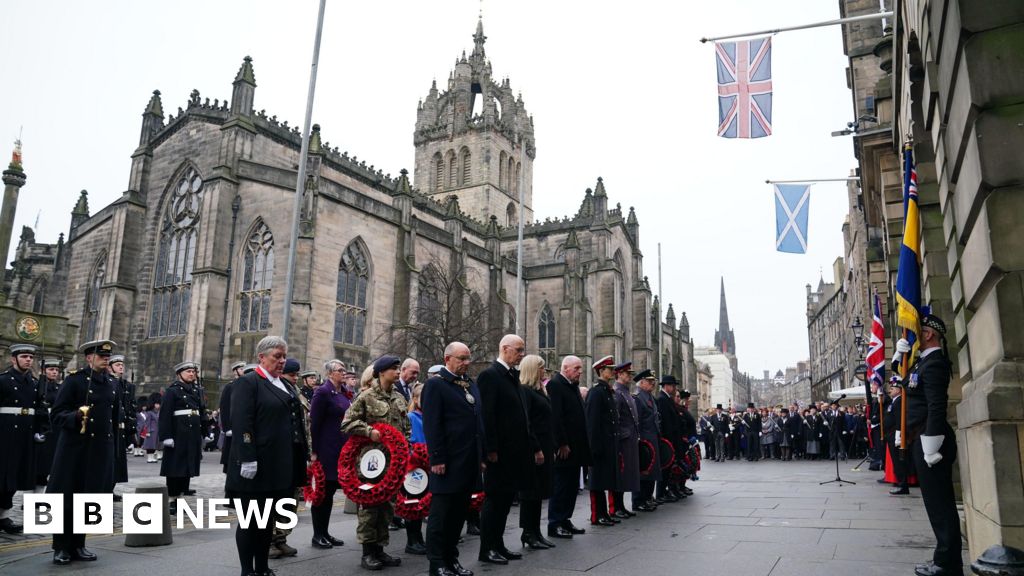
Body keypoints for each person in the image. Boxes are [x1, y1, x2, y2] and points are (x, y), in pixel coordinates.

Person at [888, 315, 962, 576]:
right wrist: (898, 358)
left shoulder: (935, 364)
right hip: (922, 438)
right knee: (935, 504)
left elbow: (936, 406)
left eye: (918, 332)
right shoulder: (922, 363)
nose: (914, 337)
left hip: (932, 440)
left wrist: (932, 443)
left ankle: (947, 564)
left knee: (940, 505)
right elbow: (902, 383)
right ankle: (945, 558)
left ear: (929, 334)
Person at [224, 336, 303, 576]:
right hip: (256, 464)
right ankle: (247, 570)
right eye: (276, 356)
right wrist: (247, 457)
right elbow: (241, 422)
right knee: (250, 521)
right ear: (261, 357)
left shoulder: (285, 385)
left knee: (267, 521)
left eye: (284, 356)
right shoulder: (248, 383)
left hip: (279, 465)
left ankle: (263, 567)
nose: (282, 361)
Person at [47, 340, 119, 564]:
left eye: (107, 356)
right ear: (89, 358)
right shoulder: (74, 380)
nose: (105, 359)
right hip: (74, 449)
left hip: (99, 450)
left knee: (90, 497)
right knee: (67, 497)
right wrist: (75, 417)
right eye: (101, 356)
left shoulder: (111, 382)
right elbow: (57, 413)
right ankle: (61, 546)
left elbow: (113, 419)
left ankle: (79, 543)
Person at [341, 355, 410, 570]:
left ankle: (380, 548)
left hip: (393, 464)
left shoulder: (399, 398)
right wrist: (369, 431)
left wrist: (405, 445)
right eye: (393, 369)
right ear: (381, 372)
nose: (398, 373)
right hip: (371, 462)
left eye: (398, 369)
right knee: (370, 508)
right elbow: (347, 423)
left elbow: (406, 427)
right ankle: (367, 552)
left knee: (388, 507)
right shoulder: (366, 397)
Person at [422, 342, 484, 576]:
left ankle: (451, 559)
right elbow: (433, 425)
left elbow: (479, 422)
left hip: (468, 459)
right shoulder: (436, 385)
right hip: (447, 461)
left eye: (468, 358)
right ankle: (437, 562)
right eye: (462, 358)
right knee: (441, 515)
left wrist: (482, 454)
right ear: (447, 358)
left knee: (459, 513)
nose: (467, 363)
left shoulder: (469, 385)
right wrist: (437, 457)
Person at [476, 334, 533, 565]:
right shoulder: (490, 376)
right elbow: (487, 415)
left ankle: (497, 544)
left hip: (514, 452)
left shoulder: (512, 376)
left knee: (505, 501)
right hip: (499, 452)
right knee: (494, 501)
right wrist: (490, 448)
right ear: (505, 348)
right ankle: (487, 548)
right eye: (518, 350)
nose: (521, 354)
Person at [269, 358, 311, 560]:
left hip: (297, 450)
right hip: (282, 453)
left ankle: (281, 538)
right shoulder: (277, 391)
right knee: (277, 497)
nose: (295, 379)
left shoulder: (296, 393)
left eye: (296, 375)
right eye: (292, 375)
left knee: (291, 497)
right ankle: (269, 541)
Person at [0, 343, 45, 534]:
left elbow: (41, 409)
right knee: (3, 477)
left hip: (25, 434)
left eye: (30, 357)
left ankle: (3, 516)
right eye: (24, 356)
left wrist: (41, 429)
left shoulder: (34, 383)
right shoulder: (3, 380)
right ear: (13, 359)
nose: (28, 360)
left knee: (16, 477)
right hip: (5, 433)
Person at [545, 355, 590, 539]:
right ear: (565, 368)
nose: (580, 371)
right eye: (577, 368)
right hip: (565, 448)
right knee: (561, 486)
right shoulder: (556, 385)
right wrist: (561, 443)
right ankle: (555, 523)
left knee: (571, 486)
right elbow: (556, 417)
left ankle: (565, 519)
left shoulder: (571, 386)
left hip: (576, 446)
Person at [309, 359, 351, 550]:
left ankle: (325, 532)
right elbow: (314, 424)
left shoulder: (343, 394)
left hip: (340, 449)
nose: (344, 373)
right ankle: (317, 535)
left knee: (331, 492)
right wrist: (314, 452)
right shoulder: (323, 392)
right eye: (339, 370)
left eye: (344, 370)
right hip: (326, 450)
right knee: (322, 493)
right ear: (329, 373)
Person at [517, 354, 556, 550]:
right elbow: (528, 423)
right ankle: (528, 532)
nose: (544, 371)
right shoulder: (525, 391)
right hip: (534, 448)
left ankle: (536, 531)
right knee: (530, 492)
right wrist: (536, 448)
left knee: (539, 491)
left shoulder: (540, 391)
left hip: (545, 446)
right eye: (541, 368)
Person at [159, 361, 207, 505]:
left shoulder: (196, 390)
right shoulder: (173, 391)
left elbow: (201, 412)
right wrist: (166, 436)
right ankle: (172, 497)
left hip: (192, 434)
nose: (192, 374)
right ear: (179, 374)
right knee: (175, 467)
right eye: (188, 372)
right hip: (178, 433)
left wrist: (205, 431)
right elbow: (165, 414)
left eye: (193, 372)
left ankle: (180, 495)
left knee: (187, 466)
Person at [585, 356, 618, 526]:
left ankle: (604, 512)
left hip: (608, 443)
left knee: (605, 479)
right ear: (600, 371)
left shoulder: (606, 391)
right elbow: (592, 422)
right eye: (609, 369)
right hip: (599, 445)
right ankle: (597, 515)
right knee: (597, 481)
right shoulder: (597, 392)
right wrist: (594, 447)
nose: (612, 372)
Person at [389, 358, 420, 532]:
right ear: (403, 370)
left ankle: (397, 514)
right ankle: (393, 517)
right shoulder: (396, 388)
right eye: (413, 372)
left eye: (417, 373)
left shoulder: (411, 389)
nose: (415, 376)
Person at [631, 369, 661, 512]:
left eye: (653, 381)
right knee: (643, 471)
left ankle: (647, 497)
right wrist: (639, 441)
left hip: (652, 438)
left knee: (652, 471)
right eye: (650, 381)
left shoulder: (649, 396)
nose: (653, 384)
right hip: (644, 440)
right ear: (641, 382)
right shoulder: (638, 398)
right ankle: (638, 501)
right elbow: (637, 422)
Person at [403, 382, 427, 555]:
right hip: (414, 466)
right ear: (415, 399)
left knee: (422, 504)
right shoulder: (411, 417)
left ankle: (419, 538)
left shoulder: (429, 417)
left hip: (427, 464)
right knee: (412, 503)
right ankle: (412, 540)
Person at [34, 357, 63, 491]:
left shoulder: (60, 387)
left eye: (56, 370)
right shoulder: (38, 385)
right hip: (42, 426)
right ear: (44, 371)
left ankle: (43, 495)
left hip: (55, 427)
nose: (54, 372)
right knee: (39, 465)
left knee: (50, 464)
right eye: (51, 369)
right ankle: (33, 496)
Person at [107, 354, 132, 500]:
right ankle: (105, 489)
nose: (121, 367)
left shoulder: (126, 385)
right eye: (117, 365)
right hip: (111, 427)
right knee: (109, 460)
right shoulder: (109, 382)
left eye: (122, 365)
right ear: (110, 367)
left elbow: (129, 407)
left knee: (119, 461)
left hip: (122, 427)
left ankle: (111, 489)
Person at [654, 375, 682, 500]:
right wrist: (668, 440)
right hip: (667, 438)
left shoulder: (667, 398)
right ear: (666, 386)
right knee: (665, 467)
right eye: (672, 385)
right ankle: (660, 493)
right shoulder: (662, 399)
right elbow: (665, 421)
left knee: (669, 468)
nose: (674, 388)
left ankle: (664, 491)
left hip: (672, 438)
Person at [220, 361, 246, 498]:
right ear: (235, 371)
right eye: (241, 368)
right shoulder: (230, 387)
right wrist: (227, 427)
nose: (243, 370)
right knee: (230, 461)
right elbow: (224, 408)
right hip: (232, 429)